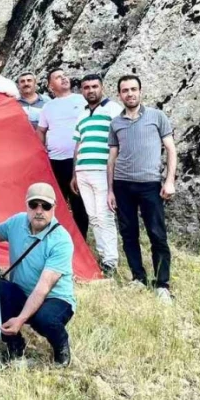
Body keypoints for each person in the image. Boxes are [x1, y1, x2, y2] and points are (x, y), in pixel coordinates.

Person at [107, 75, 177, 302]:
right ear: (119, 95)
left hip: (150, 185)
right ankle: (138, 277)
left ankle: (162, 284)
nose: (130, 93)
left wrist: (169, 180)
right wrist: (110, 190)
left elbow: (171, 150)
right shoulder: (116, 123)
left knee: (157, 234)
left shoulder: (157, 117)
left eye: (133, 89)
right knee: (128, 234)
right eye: (125, 90)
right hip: (122, 185)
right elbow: (112, 158)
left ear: (140, 91)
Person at [0, 182, 76, 366]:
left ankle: (61, 347)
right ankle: (14, 346)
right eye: (34, 205)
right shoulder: (16, 222)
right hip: (22, 292)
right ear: (26, 206)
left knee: (45, 319)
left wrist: (21, 319)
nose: (39, 211)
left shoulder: (61, 240)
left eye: (46, 206)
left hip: (55, 298)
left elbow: (43, 287)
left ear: (54, 208)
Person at [72, 74, 123, 277]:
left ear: (102, 88)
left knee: (105, 216)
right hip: (82, 171)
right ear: (82, 91)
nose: (90, 90)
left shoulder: (113, 110)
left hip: (102, 171)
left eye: (94, 86)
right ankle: (103, 257)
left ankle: (111, 261)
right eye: (86, 87)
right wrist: (74, 173)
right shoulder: (82, 114)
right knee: (93, 217)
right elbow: (78, 145)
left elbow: (121, 140)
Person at [38, 68, 88, 238]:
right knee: (56, 202)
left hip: (78, 160)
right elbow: (41, 131)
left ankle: (81, 240)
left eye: (64, 75)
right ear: (50, 86)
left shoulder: (82, 100)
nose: (64, 78)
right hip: (55, 161)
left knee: (78, 203)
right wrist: (42, 149)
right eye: (58, 77)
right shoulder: (47, 107)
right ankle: (56, 237)